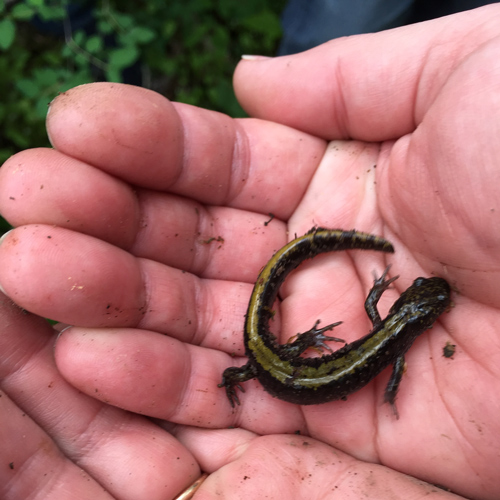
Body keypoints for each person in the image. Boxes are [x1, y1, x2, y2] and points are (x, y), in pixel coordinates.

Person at [0, 4, 499, 499]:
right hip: (278, 365)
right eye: (424, 299)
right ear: (418, 320)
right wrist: (386, 392)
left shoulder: (391, 335)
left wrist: (365, 304)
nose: (425, 301)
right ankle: (279, 339)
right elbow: (390, 376)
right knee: (263, 363)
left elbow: (376, 320)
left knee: (265, 362)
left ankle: (281, 337)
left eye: (425, 302)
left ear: (416, 314)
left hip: (278, 364)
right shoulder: (398, 349)